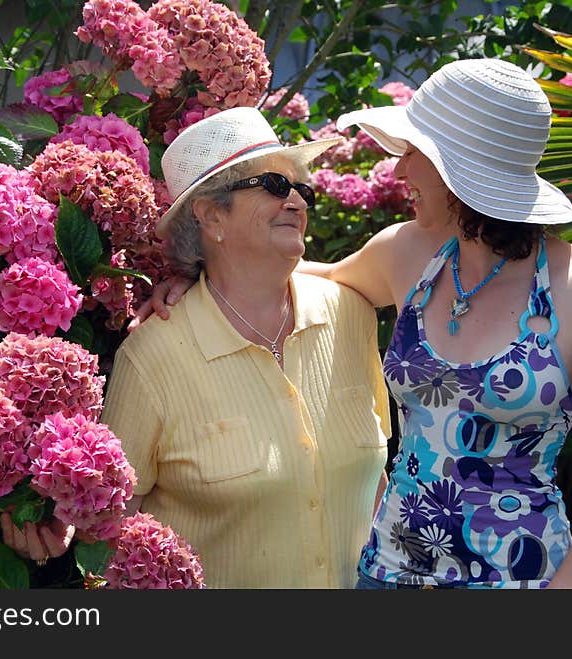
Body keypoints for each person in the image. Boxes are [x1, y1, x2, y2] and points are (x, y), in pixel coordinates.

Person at [140, 59, 572, 589]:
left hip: (524, 579)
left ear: (459, 168)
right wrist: (198, 282)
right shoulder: (407, 254)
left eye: (413, 153)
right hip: (387, 574)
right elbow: (295, 276)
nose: (397, 171)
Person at [87, 106, 390, 588]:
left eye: (302, 189)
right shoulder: (152, 357)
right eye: (274, 185)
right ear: (210, 215)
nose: (296, 201)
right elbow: (109, 532)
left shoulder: (352, 315)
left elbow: (376, 487)